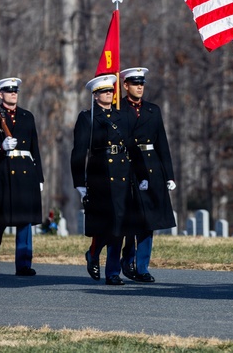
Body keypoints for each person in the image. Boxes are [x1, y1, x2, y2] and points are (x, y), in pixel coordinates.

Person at [71, 75, 138, 286]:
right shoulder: (87, 118)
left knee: (119, 225)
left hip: (122, 174)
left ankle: (113, 272)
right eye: (104, 91)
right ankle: (93, 253)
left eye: (111, 91)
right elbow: (79, 151)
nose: (109, 94)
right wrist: (79, 182)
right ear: (95, 95)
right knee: (105, 225)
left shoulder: (122, 117)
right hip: (99, 173)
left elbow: (132, 147)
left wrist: (141, 175)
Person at [0, 77, 44, 276]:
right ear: (0, 95)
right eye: (9, 91)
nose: (13, 94)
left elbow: (35, 148)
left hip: (25, 173)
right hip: (3, 171)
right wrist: (1, 147)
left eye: (15, 90)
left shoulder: (27, 116)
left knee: (25, 221)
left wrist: (39, 177)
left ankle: (24, 264)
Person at [119, 67, 177, 283]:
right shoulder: (119, 109)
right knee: (132, 220)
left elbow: (162, 142)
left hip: (151, 166)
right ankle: (128, 258)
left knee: (149, 221)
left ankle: (142, 266)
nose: (140, 87)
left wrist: (169, 175)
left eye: (142, 84)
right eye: (135, 83)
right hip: (130, 167)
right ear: (126, 86)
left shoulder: (153, 110)